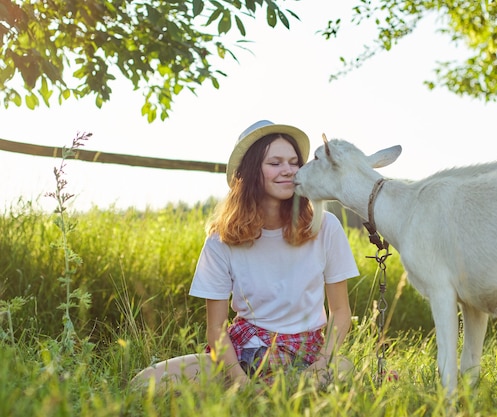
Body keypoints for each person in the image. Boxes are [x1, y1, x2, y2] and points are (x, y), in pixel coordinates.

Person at [132, 120, 360, 389]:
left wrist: (322, 362)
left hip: (307, 356)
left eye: (293, 162)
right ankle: (258, 390)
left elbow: (341, 311)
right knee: (145, 383)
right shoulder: (221, 240)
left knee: (343, 368)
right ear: (252, 172)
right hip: (243, 353)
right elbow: (216, 328)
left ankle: (290, 390)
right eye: (275, 163)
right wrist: (241, 382)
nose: (288, 170)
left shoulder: (325, 227)